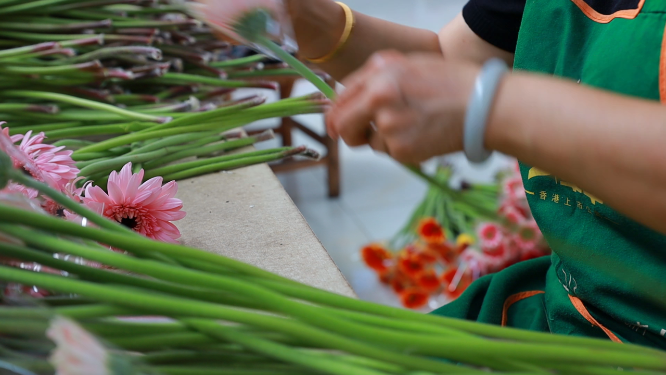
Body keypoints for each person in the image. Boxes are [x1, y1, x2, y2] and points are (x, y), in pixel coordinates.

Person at [282, 0, 666, 348]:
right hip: (568, 314)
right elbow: (450, 62)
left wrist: (495, 106)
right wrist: (313, 21)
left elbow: (471, 86)